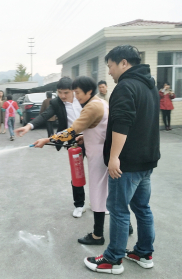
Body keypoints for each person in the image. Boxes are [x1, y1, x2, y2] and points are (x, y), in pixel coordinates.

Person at [84, 45, 160, 275]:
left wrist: (114, 157)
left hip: (126, 163)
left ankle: (112, 259)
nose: (109, 72)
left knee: (118, 209)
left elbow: (123, 124)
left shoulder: (126, 87)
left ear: (124, 63)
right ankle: (144, 252)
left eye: (111, 66)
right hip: (146, 160)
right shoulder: (150, 85)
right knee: (142, 208)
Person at [33, 76, 111, 245]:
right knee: (90, 181)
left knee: (98, 188)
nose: (73, 96)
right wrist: (84, 136)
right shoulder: (99, 102)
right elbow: (93, 128)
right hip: (92, 146)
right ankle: (82, 205)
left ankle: (99, 232)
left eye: (76, 92)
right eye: (72, 92)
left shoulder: (91, 106)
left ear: (88, 91)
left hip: (98, 152)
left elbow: (73, 129)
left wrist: (48, 140)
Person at [15, 77, 87, 218]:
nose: (62, 96)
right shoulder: (56, 102)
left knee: (99, 172)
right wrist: (29, 126)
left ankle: (101, 203)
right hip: (73, 140)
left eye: (65, 92)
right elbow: (44, 115)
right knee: (77, 173)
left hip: (92, 137)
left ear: (73, 91)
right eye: (59, 92)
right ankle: (79, 205)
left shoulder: (83, 99)